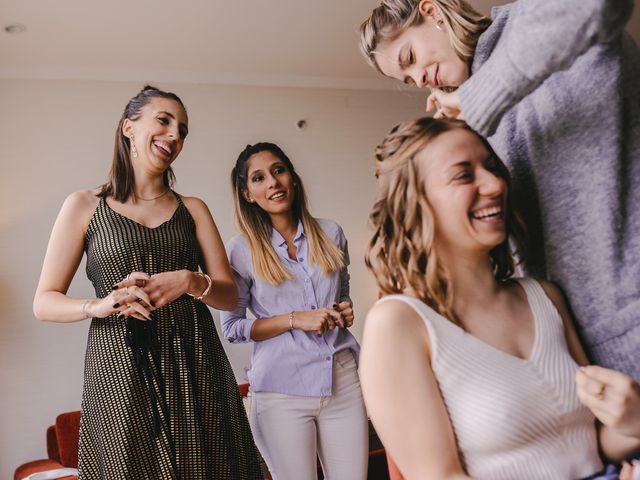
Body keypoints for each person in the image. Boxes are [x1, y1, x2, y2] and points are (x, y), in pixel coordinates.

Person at [359, 0, 640, 383]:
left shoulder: (525, 22)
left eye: (409, 57)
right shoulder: (477, 121)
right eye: (407, 80)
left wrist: (476, 97)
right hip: (577, 356)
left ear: (432, 12)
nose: (420, 79)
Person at [360, 117, 640, 479]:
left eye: (492, 168)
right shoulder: (398, 322)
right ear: (415, 205)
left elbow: (588, 445)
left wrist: (632, 425)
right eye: (463, 175)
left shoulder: (545, 297)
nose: (495, 184)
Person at [33, 86, 262, 479]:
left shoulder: (193, 209)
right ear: (128, 128)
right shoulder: (85, 206)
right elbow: (44, 302)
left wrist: (191, 280)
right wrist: (97, 305)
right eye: (164, 121)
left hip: (196, 364)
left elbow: (231, 295)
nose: (175, 135)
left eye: (183, 130)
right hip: (119, 367)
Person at [221, 142, 369, 480]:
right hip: (281, 391)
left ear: (292, 178)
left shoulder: (331, 233)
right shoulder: (240, 250)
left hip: (342, 380)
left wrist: (343, 311)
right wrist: (294, 320)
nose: (272, 182)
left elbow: (341, 294)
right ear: (247, 194)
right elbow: (232, 327)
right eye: (258, 178)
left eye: (278, 171)